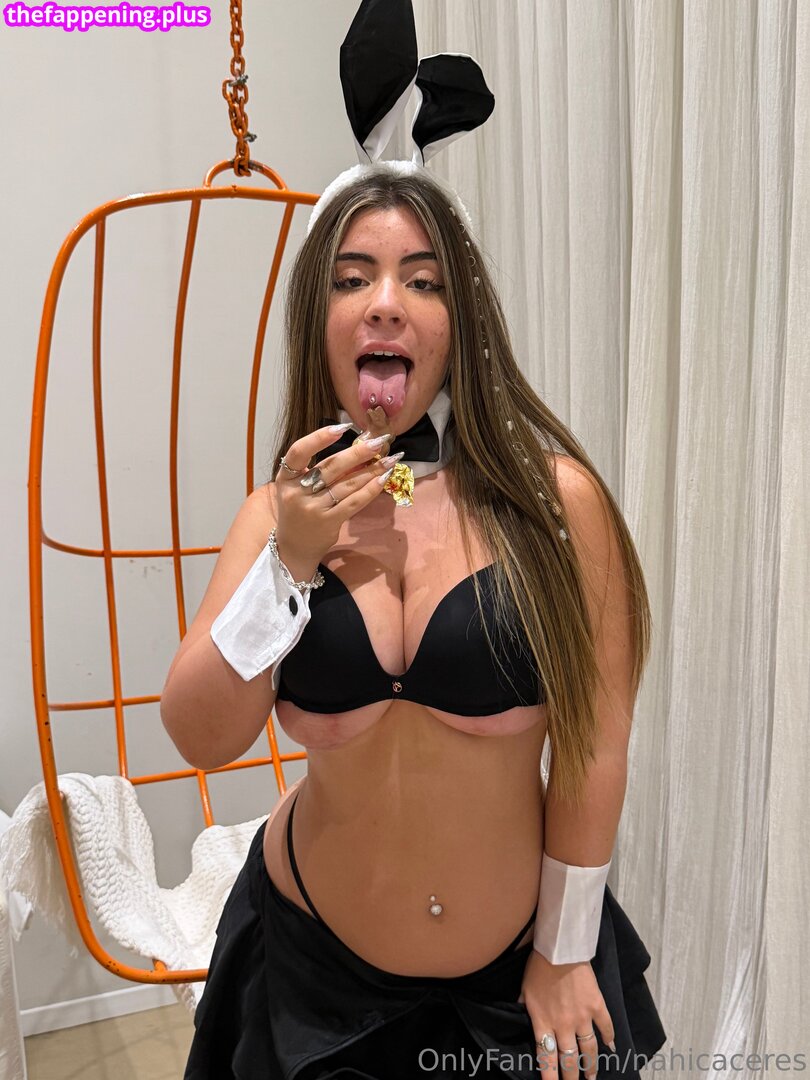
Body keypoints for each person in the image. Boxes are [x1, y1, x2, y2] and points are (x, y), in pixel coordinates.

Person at [161, 161, 666, 1080]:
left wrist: (564, 950)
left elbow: (595, 744)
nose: (386, 303)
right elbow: (202, 734)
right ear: (318, 320)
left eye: (423, 281)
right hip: (308, 977)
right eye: (352, 279)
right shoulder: (271, 521)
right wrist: (288, 561)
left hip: (520, 978)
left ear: (462, 322)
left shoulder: (555, 507)